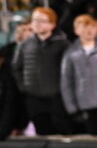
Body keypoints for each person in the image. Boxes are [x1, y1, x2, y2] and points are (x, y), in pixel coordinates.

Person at [14, 7, 73, 135]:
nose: (37, 24)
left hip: (57, 97)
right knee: (42, 131)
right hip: (34, 98)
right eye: (35, 20)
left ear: (52, 24)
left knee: (63, 129)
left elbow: (70, 71)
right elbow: (17, 68)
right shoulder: (24, 44)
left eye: (42, 21)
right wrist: (24, 87)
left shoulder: (63, 44)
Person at [62, 14, 97, 135]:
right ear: (76, 31)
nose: (89, 30)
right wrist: (71, 107)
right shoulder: (71, 53)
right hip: (84, 104)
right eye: (84, 27)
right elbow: (66, 81)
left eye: (92, 27)